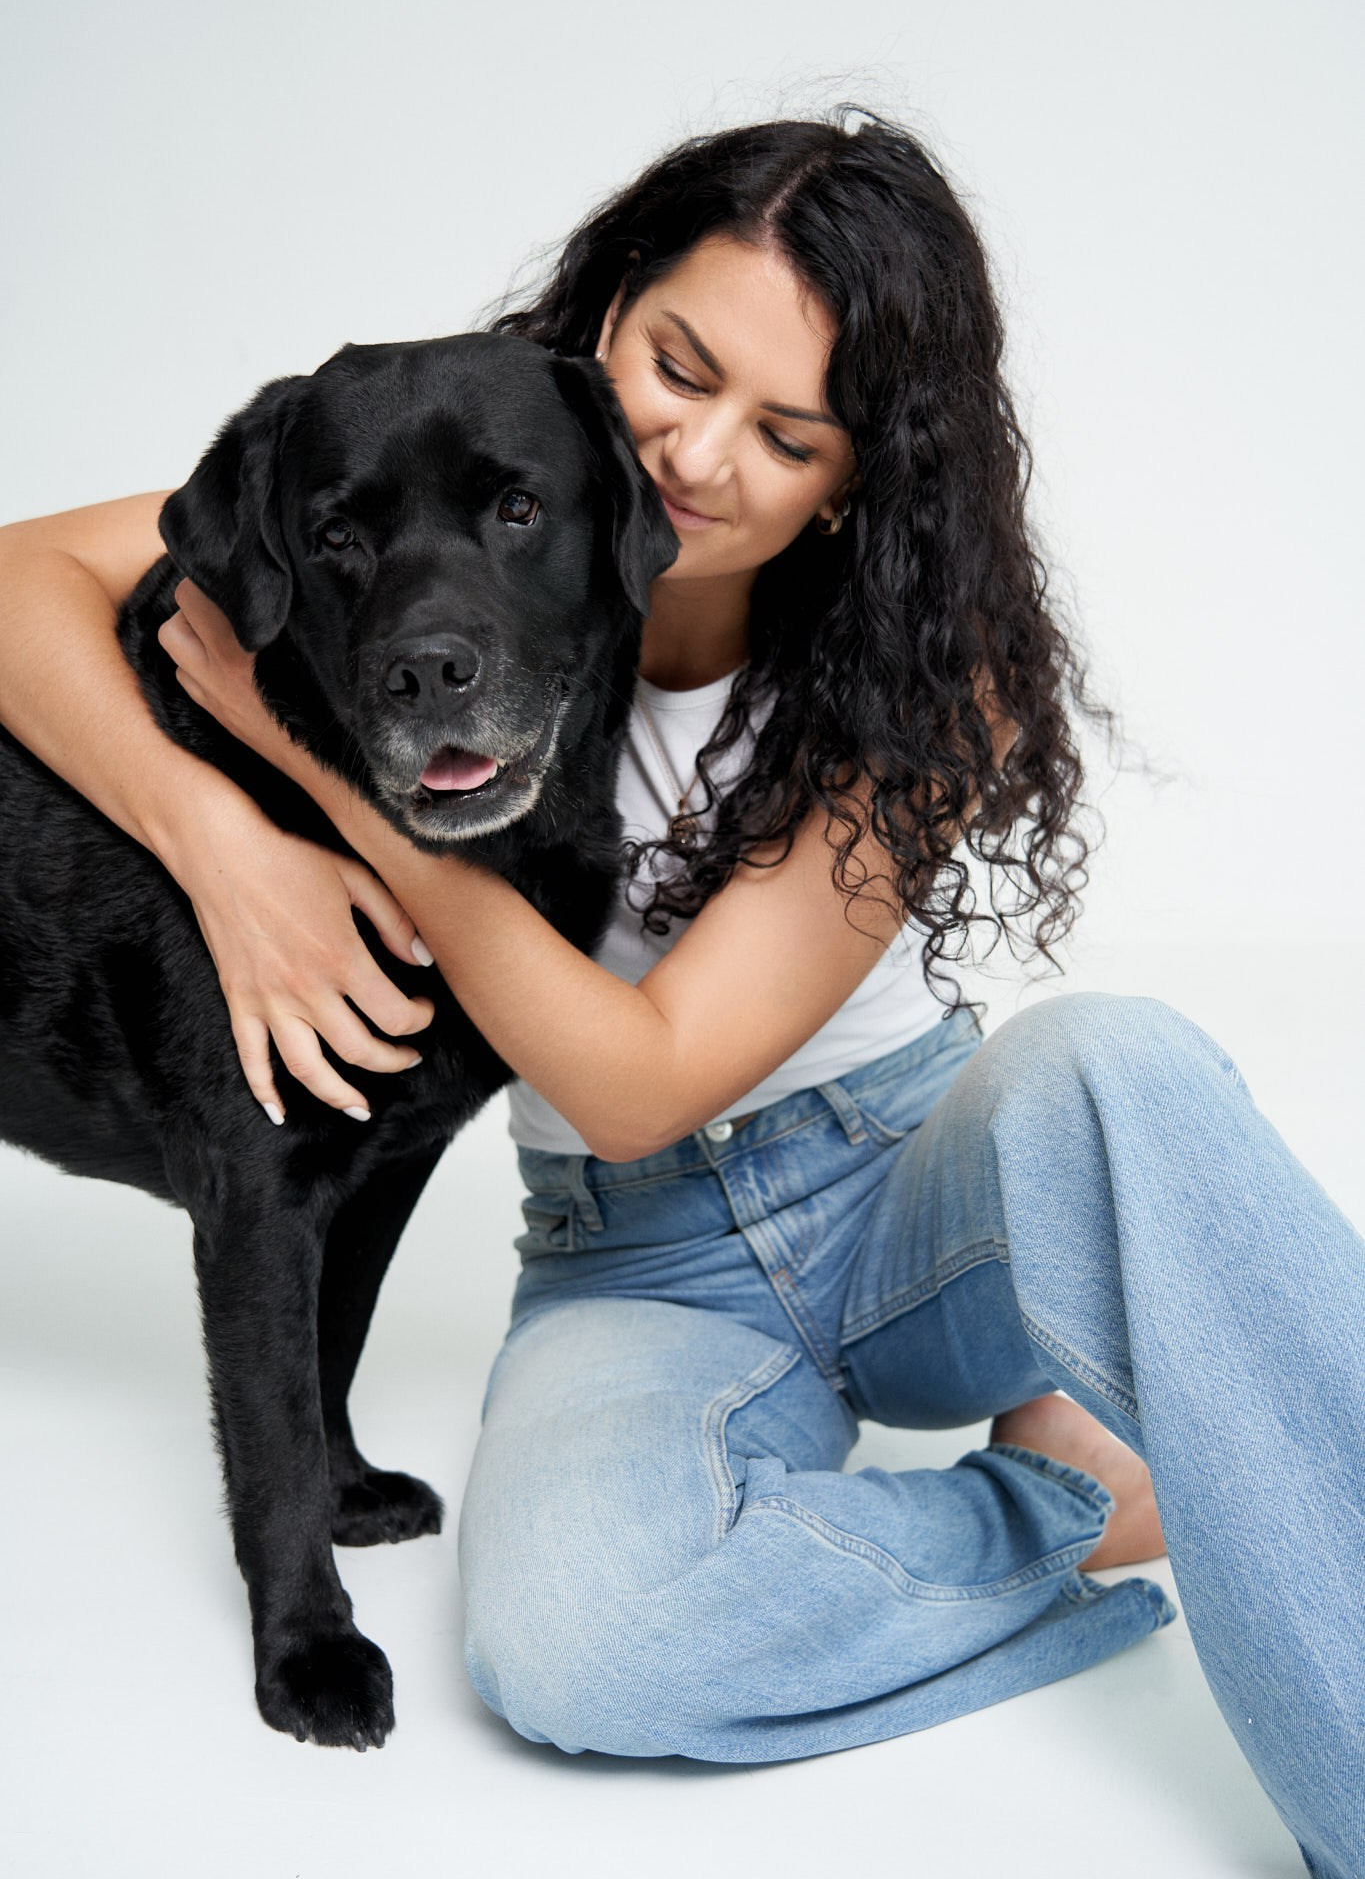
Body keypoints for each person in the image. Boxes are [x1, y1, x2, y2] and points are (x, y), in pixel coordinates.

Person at [0, 113, 1359, 1877]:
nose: (704, 455)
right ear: (607, 313)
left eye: (786, 433)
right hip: (641, 1265)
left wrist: (302, 762)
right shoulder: (461, 463)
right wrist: (213, 835)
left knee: (1118, 1064)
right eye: (676, 366)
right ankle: (1080, 1500)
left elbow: (643, 1073)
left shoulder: (924, 679)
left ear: (856, 473)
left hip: (923, 1202)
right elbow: (18, 578)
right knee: (578, 1648)